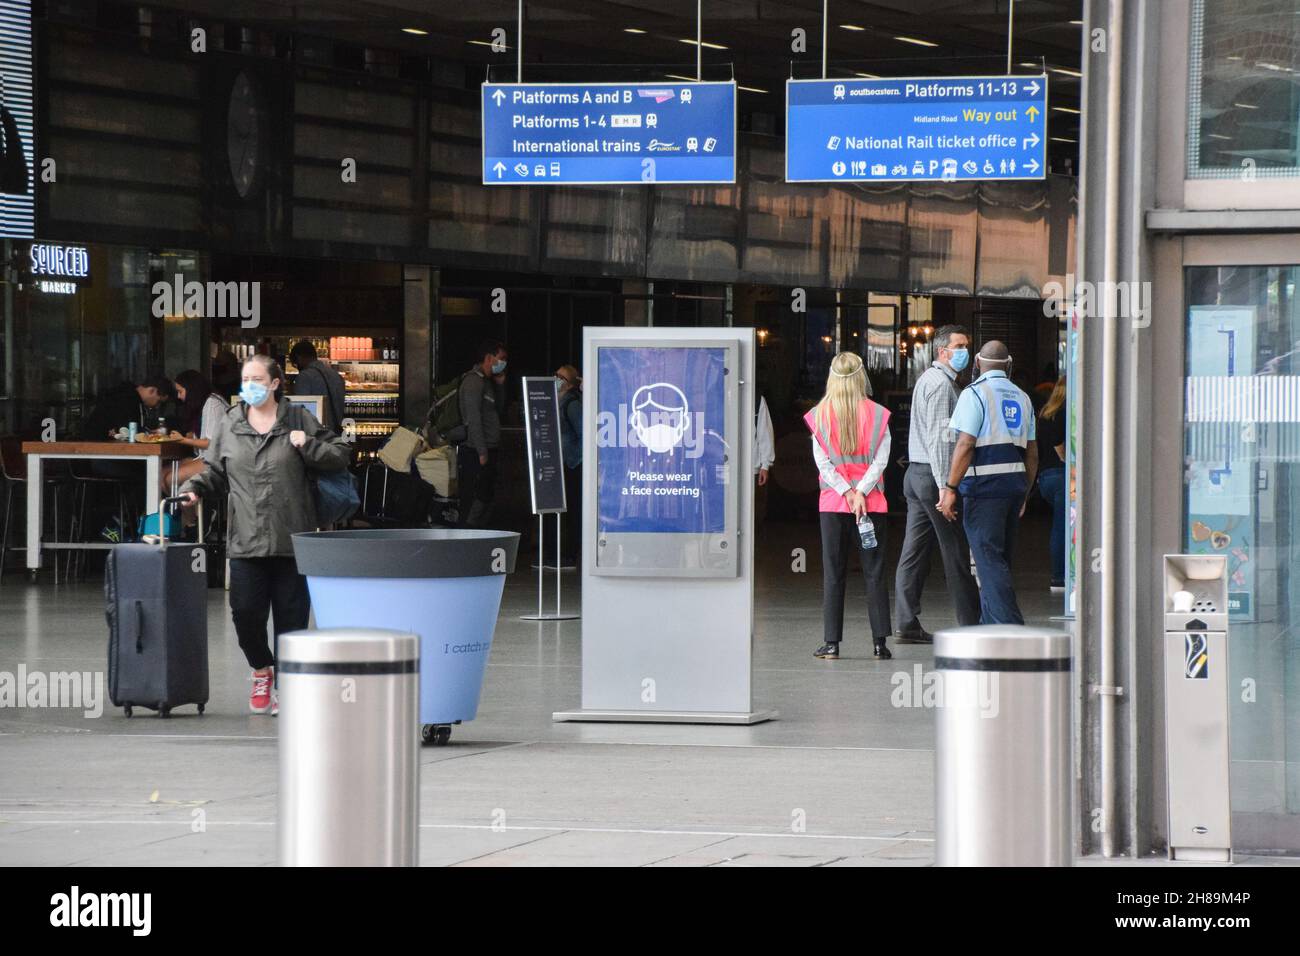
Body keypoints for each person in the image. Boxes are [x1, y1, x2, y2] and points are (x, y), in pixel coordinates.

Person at [179, 354, 350, 715]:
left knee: (291, 619)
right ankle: (261, 669)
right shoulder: (230, 424)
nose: (250, 386)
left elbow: (340, 455)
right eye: (246, 380)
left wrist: (309, 445)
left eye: (258, 379)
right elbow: (213, 470)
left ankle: (287, 685)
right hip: (246, 539)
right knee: (245, 614)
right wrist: (195, 487)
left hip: (292, 539)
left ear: (274, 383)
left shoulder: (299, 419)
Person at [939, 341, 1038, 625]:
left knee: (988, 561)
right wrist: (1025, 493)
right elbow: (1032, 453)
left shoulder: (974, 395)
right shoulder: (1023, 397)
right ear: (1008, 364)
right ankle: (989, 626)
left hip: (984, 491)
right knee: (1000, 560)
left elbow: (965, 444)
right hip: (1013, 489)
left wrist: (950, 488)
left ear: (978, 364)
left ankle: (1010, 627)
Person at [893, 325, 982, 642]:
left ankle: (906, 620)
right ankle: (970, 622)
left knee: (914, 551)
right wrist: (948, 487)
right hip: (933, 477)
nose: (965, 351)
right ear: (942, 351)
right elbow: (941, 441)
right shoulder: (942, 387)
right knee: (955, 550)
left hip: (916, 475)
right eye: (959, 345)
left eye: (967, 345)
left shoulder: (928, 381)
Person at [806, 352, 893, 661]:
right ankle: (880, 643)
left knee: (833, 573)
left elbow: (823, 464)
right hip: (871, 505)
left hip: (832, 504)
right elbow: (882, 460)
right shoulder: (880, 415)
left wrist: (845, 491)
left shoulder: (818, 416)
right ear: (861, 377)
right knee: (875, 572)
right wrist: (861, 493)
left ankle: (832, 643)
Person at [458, 339, 508, 528]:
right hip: (476, 450)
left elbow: (497, 411)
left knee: (487, 494)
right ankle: (469, 532)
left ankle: (477, 531)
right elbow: (473, 419)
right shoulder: (473, 381)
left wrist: (501, 385)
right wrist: (481, 452)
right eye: (501, 359)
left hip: (489, 447)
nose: (503, 363)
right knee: (477, 497)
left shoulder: (488, 382)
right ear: (489, 358)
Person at [158, 369, 228, 496]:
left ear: (192, 389)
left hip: (216, 461)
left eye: (180, 391)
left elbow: (210, 443)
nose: (178, 396)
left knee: (170, 479)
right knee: (161, 475)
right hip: (202, 457)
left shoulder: (213, 403)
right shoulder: (203, 404)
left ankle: (191, 515)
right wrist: (191, 436)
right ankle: (180, 512)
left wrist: (183, 440)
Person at [1036, 375, 1068, 589]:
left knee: (1059, 525)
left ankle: (1059, 575)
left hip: (1045, 477)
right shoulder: (1065, 412)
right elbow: (1060, 447)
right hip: (1061, 476)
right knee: (1063, 527)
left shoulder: (1045, 413)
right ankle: (1059, 576)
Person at [82, 374, 172, 441]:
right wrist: (149, 434)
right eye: (159, 401)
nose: (157, 406)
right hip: (102, 451)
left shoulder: (132, 398)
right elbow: (127, 429)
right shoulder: (126, 399)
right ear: (152, 391)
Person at [556, 365, 583, 562]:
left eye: (561, 377)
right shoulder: (555, 401)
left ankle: (571, 552)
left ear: (571, 384)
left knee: (573, 509)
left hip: (571, 463)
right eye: (556, 375)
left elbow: (584, 433)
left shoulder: (571, 404)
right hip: (559, 463)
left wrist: (575, 460)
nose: (557, 379)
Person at [289, 339, 346, 430]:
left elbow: (300, 410)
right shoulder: (336, 375)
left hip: (316, 433)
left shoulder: (304, 377)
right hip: (335, 433)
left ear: (299, 358)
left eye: (295, 364)